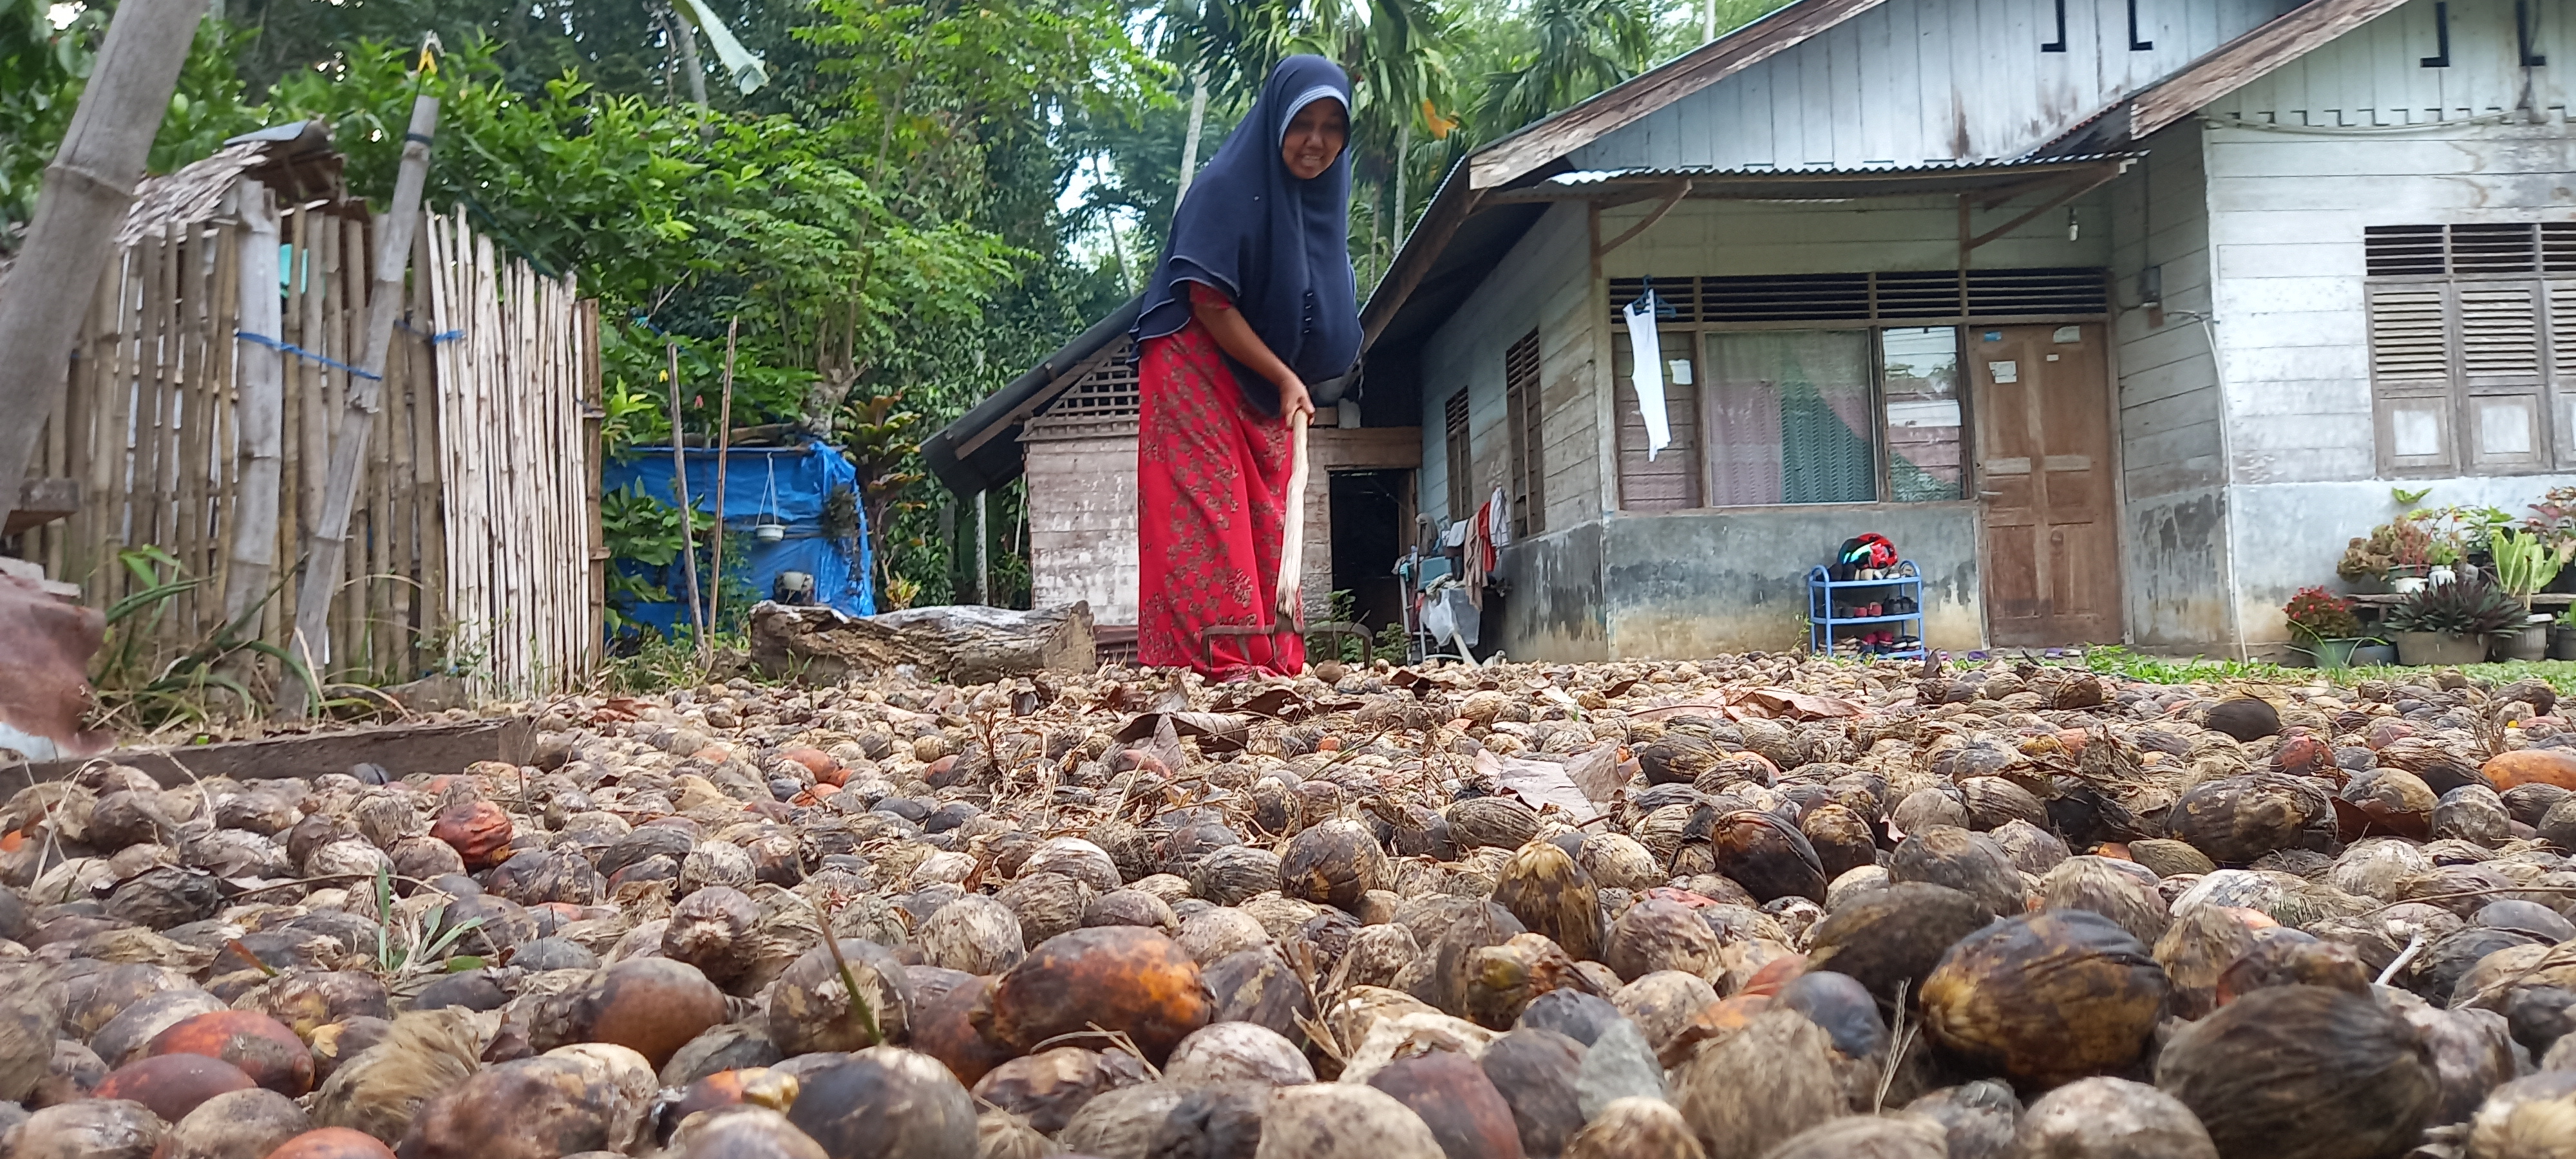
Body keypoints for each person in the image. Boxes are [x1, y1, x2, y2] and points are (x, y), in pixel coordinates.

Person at [1131, 55, 1358, 679]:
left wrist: (1295, 374)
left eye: (1331, 127)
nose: (1315, 142)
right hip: (1192, 358)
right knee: (1211, 511)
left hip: (1261, 374)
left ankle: (1273, 658)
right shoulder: (1225, 188)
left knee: (1268, 508)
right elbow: (1207, 300)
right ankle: (1213, 663)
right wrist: (1286, 376)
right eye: (1301, 124)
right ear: (1273, 124)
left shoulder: (1318, 205)